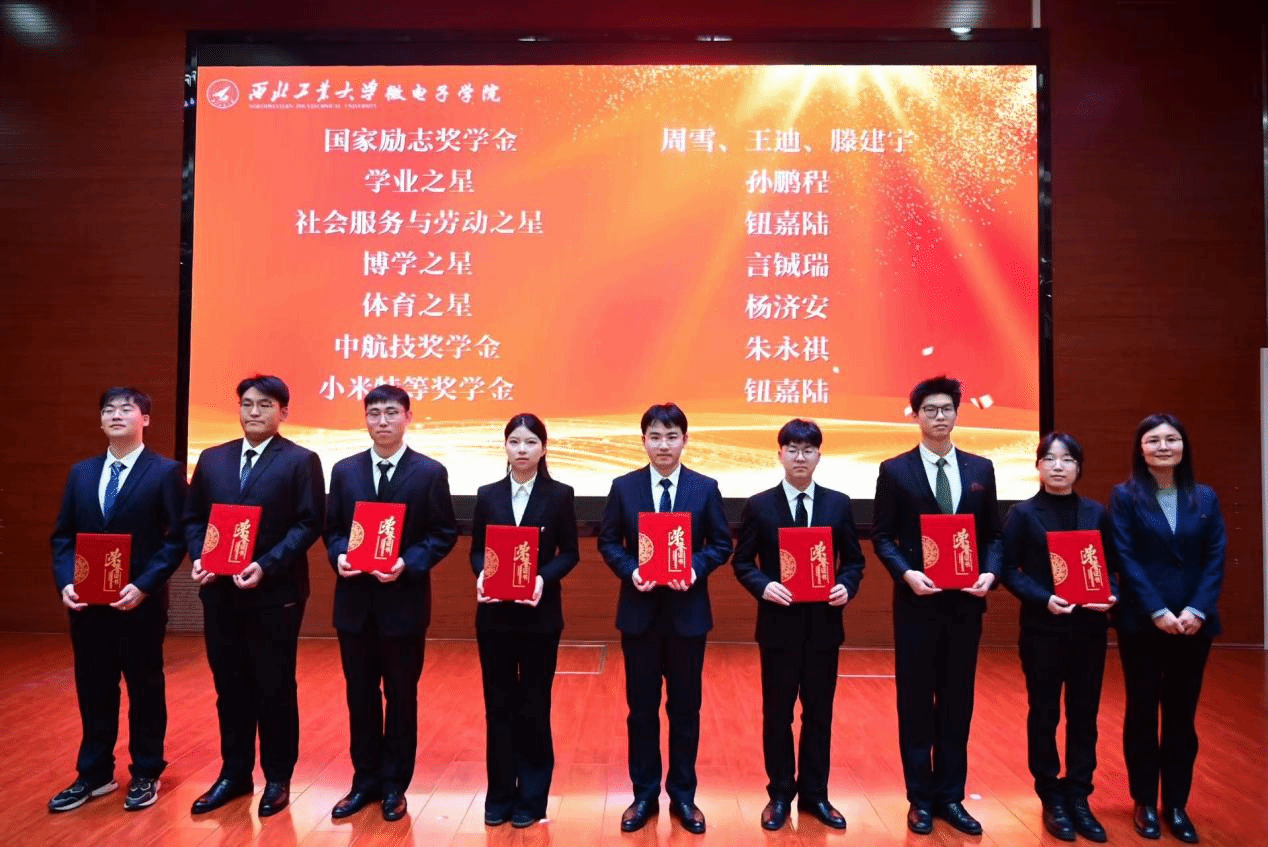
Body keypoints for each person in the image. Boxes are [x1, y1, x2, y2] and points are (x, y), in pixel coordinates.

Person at [183, 374, 325, 818]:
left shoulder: (300, 460)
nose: (254, 412)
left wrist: (266, 564)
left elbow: (309, 523)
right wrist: (200, 556)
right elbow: (193, 518)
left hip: (274, 593)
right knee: (229, 686)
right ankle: (234, 774)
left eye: (265, 405)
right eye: (247, 403)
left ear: (284, 412)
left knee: (274, 686)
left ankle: (278, 777)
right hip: (220, 593)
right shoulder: (212, 458)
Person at [871, 375, 1003, 836]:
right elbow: (882, 536)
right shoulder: (895, 471)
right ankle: (920, 799)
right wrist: (906, 573)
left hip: (966, 605)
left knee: (957, 701)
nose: (939, 416)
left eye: (946, 408)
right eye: (930, 409)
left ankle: (951, 796)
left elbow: (994, 535)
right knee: (915, 702)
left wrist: (991, 573)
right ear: (917, 415)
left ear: (957, 412)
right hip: (917, 605)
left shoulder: (981, 469)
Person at [48, 387, 187, 813]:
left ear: (145, 419)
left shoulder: (165, 472)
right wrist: (66, 582)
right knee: (93, 688)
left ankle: (146, 770)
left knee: (145, 688)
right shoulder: (82, 473)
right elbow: (63, 537)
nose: (116, 415)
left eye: (127, 409)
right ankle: (95, 773)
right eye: (108, 409)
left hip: (139, 602)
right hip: (88, 604)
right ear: (100, 420)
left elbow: (176, 538)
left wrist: (144, 585)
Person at [598, 403, 734, 835]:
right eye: (655, 437)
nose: (663, 445)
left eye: (672, 436)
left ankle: (683, 796)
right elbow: (608, 542)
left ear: (685, 441)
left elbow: (721, 544)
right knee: (641, 710)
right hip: (639, 616)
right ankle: (643, 795)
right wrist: (630, 570)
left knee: (685, 710)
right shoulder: (624, 487)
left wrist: (694, 568)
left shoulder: (704, 487)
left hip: (687, 616)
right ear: (644, 441)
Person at [324, 384, 457, 821]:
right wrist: (339, 555)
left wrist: (407, 562)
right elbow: (332, 529)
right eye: (374, 413)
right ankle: (364, 780)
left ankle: (395, 784)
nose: (382, 421)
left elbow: (442, 533)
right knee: (359, 695)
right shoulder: (344, 470)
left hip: (403, 604)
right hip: (354, 605)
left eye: (391, 413)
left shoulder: (429, 472)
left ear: (408, 418)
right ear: (365, 419)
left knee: (401, 696)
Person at [732, 419, 865, 831]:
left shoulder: (839, 504)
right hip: (779, 626)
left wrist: (846, 585)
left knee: (819, 714)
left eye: (808, 450)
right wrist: (764, 584)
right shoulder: (759, 505)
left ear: (819, 456)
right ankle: (779, 794)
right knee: (778, 715)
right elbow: (742, 562)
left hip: (824, 626)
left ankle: (815, 795)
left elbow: (854, 561)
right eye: (792, 449)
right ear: (780, 455)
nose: (800, 457)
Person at [1110, 413, 1224, 844]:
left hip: (1194, 625)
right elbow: (1124, 557)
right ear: (1140, 449)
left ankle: (1176, 804)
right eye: (1153, 440)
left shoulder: (1205, 497)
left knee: (1181, 715)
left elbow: (1215, 556)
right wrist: (1156, 609)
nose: (1163, 446)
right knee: (1142, 711)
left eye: (1171, 439)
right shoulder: (1125, 497)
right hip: (1143, 622)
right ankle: (1143, 800)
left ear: (1183, 447)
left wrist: (1197, 608)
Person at [1001, 432, 1118, 843]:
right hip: (1043, 629)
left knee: (1084, 714)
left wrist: (1112, 595)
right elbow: (1009, 569)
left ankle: (1079, 794)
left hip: (1089, 630)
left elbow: (1113, 567)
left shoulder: (1096, 513)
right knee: (1045, 712)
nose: (1057, 466)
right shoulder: (1022, 514)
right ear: (1037, 466)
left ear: (1078, 467)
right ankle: (1050, 793)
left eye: (1067, 459)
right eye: (1049, 458)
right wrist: (1043, 598)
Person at [470, 413, 580, 828]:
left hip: (540, 616)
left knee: (534, 704)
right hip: (494, 616)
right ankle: (499, 795)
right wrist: (481, 574)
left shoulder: (560, 495)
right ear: (505, 447)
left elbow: (570, 553)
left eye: (530, 442)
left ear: (543, 449)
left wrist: (541, 579)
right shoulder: (487, 495)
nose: (521, 449)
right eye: (514, 441)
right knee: (497, 705)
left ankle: (532, 798)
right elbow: (477, 550)